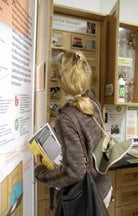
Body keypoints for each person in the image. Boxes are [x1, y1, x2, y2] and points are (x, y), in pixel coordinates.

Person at [34, 50, 112, 212]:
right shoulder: (94, 103)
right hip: (102, 188)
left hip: (86, 198)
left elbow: (75, 172)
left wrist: (40, 172)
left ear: (60, 79)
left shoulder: (66, 117)